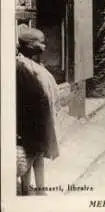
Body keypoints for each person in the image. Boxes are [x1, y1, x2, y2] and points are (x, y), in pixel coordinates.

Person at [16, 27, 59, 195]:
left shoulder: (36, 65)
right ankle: (26, 190)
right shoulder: (22, 67)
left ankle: (41, 189)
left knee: (39, 154)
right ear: (30, 46)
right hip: (28, 121)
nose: (43, 47)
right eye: (40, 44)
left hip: (40, 119)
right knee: (29, 156)